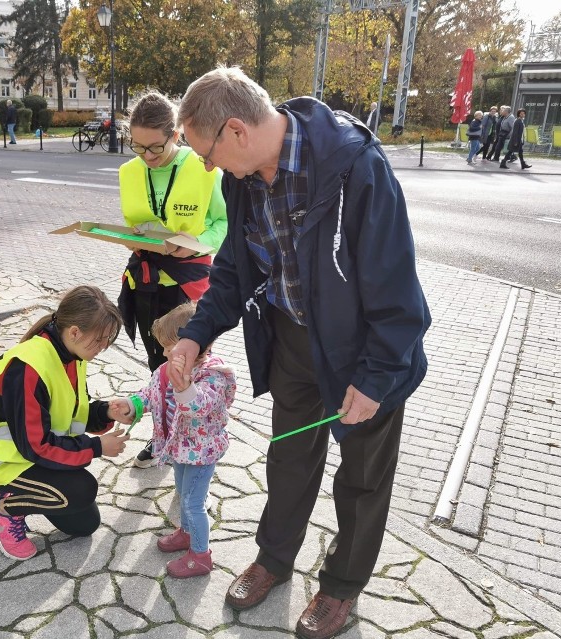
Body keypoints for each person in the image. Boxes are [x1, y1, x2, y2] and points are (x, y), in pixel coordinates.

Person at [174, 67, 430, 639]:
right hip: (292, 341)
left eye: (207, 153)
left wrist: (377, 378)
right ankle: (274, 557)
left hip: (364, 355)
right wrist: (197, 333)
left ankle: (341, 587)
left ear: (236, 130)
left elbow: (397, 290)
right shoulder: (240, 181)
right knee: (289, 458)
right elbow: (234, 271)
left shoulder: (355, 168)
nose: (209, 168)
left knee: (362, 479)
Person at [0, 285, 130, 560]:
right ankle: (4, 510)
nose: (103, 348)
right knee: (81, 490)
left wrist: (107, 412)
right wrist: (97, 447)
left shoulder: (72, 354)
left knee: (84, 525)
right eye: (99, 341)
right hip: (3, 462)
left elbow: (71, 414)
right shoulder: (28, 367)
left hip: (28, 454)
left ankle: (8, 493)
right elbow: (37, 446)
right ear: (75, 331)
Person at [116, 90, 228, 470]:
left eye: (156, 147)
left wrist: (197, 243)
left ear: (176, 135)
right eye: (137, 147)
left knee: (190, 359)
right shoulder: (129, 172)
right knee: (156, 359)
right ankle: (161, 434)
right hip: (146, 280)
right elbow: (135, 222)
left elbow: (223, 223)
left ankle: (192, 433)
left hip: (188, 282)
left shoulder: (204, 167)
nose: (147, 156)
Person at [113, 303, 236, 578]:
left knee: (194, 501)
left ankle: (201, 555)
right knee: (182, 490)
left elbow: (199, 407)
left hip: (201, 452)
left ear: (197, 346)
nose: (166, 354)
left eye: (171, 348)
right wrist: (131, 404)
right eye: (165, 348)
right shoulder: (167, 369)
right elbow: (150, 394)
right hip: (179, 448)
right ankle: (187, 532)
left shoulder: (213, 376)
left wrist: (184, 387)